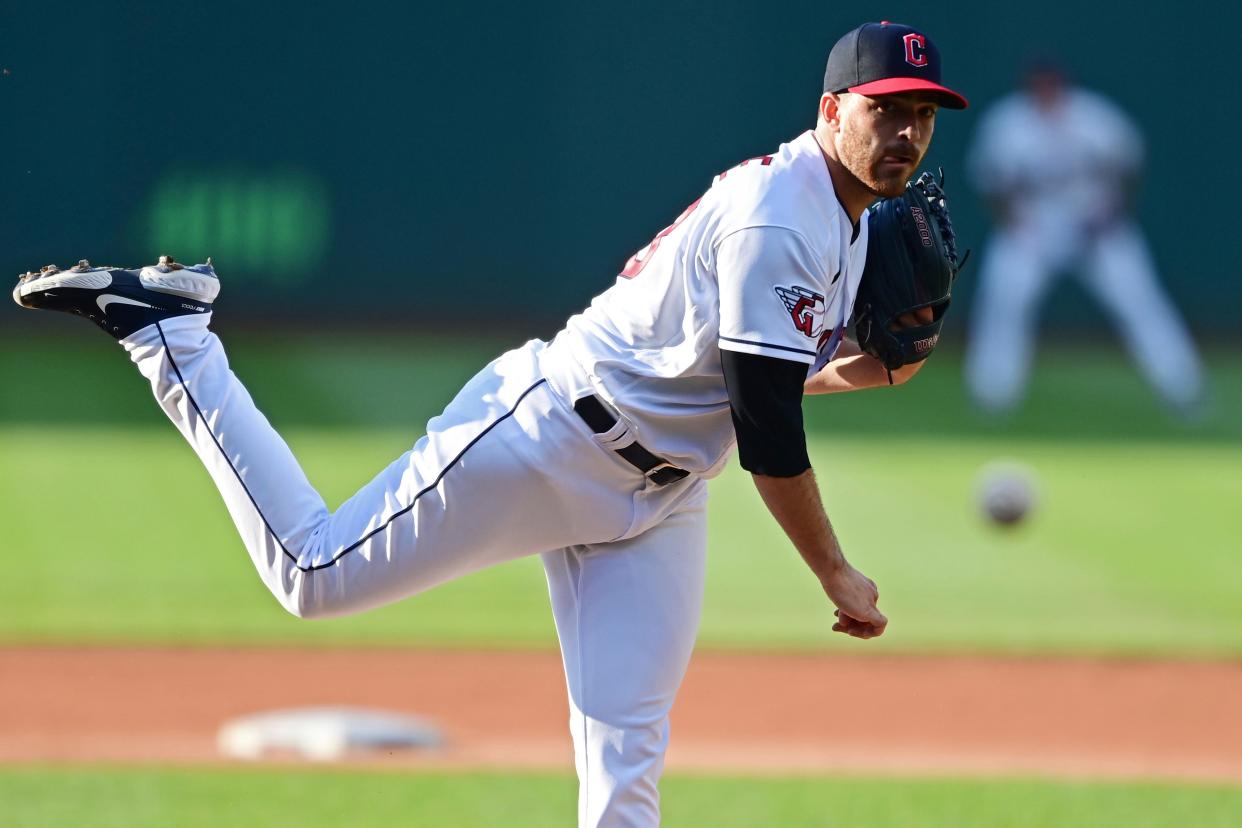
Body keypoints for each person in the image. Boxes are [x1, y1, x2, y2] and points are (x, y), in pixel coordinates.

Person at [13, 21, 965, 828]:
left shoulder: (839, 212)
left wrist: (865, 369)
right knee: (311, 576)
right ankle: (172, 333)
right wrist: (834, 570)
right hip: (549, 440)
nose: (909, 133)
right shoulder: (782, 218)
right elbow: (766, 429)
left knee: (625, 772)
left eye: (922, 114)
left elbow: (739, 375)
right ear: (831, 110)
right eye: (887, 109)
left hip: (660, 498)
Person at [964, 61, 1204, 415]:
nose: (1046, 92)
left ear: (1063, 85)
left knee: (1141, 301)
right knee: (1005, 302)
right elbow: (991, 184)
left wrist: (1113, 212)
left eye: (1052, 85)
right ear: (1029, 88)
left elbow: (1128, 166)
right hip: (1035, 230)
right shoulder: (1009, 123)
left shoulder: (1093, 116)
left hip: (1096, 228)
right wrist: (1014, 223)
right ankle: (992, 395)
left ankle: (1184, 389)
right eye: (1039, 85)